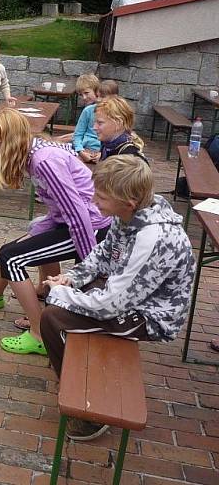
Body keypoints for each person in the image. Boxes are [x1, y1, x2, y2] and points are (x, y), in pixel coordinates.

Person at [40, 156, 194, 440]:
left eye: (101, 196)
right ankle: (79, 381)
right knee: (66, 302)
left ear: (129, 201)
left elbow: (112, 305)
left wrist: (60, 294)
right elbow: (103, 255)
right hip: (128, 295)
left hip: (151, 317)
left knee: (52, 317)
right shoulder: (129, 216)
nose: (94, 200)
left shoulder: (154, 237)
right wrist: (72, 278)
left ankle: (89, 410)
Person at [0, 109, 112, 355]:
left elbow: (77, 212)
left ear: (13, 140)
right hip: (71, 222)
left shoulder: (44, 160)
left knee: (12, 259)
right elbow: (59, 209)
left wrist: (89, 262)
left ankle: (40, 334)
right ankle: (1, 297)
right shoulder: (33, 155)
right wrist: (38, 231)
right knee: (12, 249)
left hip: (92, 227)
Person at [93, 96, 147, 161]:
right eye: (95, 122)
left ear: (118, 123)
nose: (94, 127)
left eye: (100, 123)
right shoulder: (107, 144)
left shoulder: (129, 158)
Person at [70, 74, 102, 163]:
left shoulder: (110, 110)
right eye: (81, 95)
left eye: (86, 93)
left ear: (97, 91)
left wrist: (103, 153)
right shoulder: (87, 110)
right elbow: (78, 134)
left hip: (102, 152)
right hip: (85, 150)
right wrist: (80, 151)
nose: (84, 97)